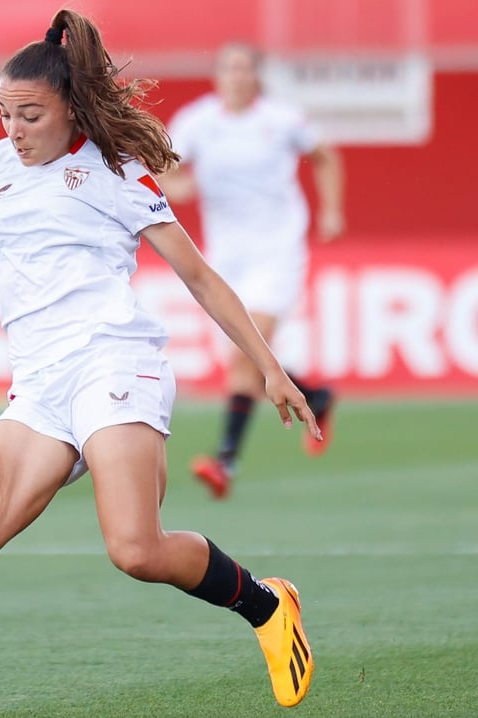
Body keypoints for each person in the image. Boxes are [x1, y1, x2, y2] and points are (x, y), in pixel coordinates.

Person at [0, 10, 318, 718]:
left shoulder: (116, 170)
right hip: (40, 385)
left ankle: (267, 602)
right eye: (4, 113)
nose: (14, 129)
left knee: (136, 550)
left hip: (116, 361)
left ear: (69, 107)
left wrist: (269, 368)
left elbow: (199, 276)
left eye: (30, 115)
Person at [160, 42, 344, 499]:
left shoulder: (281, 119)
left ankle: (225, 461)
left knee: (247, 350)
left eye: (245, 68)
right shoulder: (198, 122)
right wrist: (175, 185)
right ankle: (315, 397)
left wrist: (331, 210)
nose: (237, 76)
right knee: (246, 354)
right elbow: (161, 166)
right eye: (230, 68)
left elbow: (325, 156)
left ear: (257, 76)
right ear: (218, 76)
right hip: (225, 257)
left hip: (277, 249)